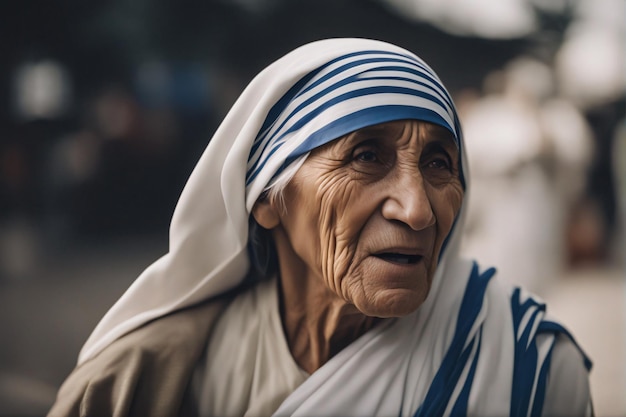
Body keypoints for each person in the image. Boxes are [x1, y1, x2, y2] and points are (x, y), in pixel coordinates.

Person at [48, 38, 593, 417]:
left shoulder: (531, 367)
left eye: (438, 164)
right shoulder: (156, 380)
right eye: (366, 156)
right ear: (267, 200)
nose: (418, 210)